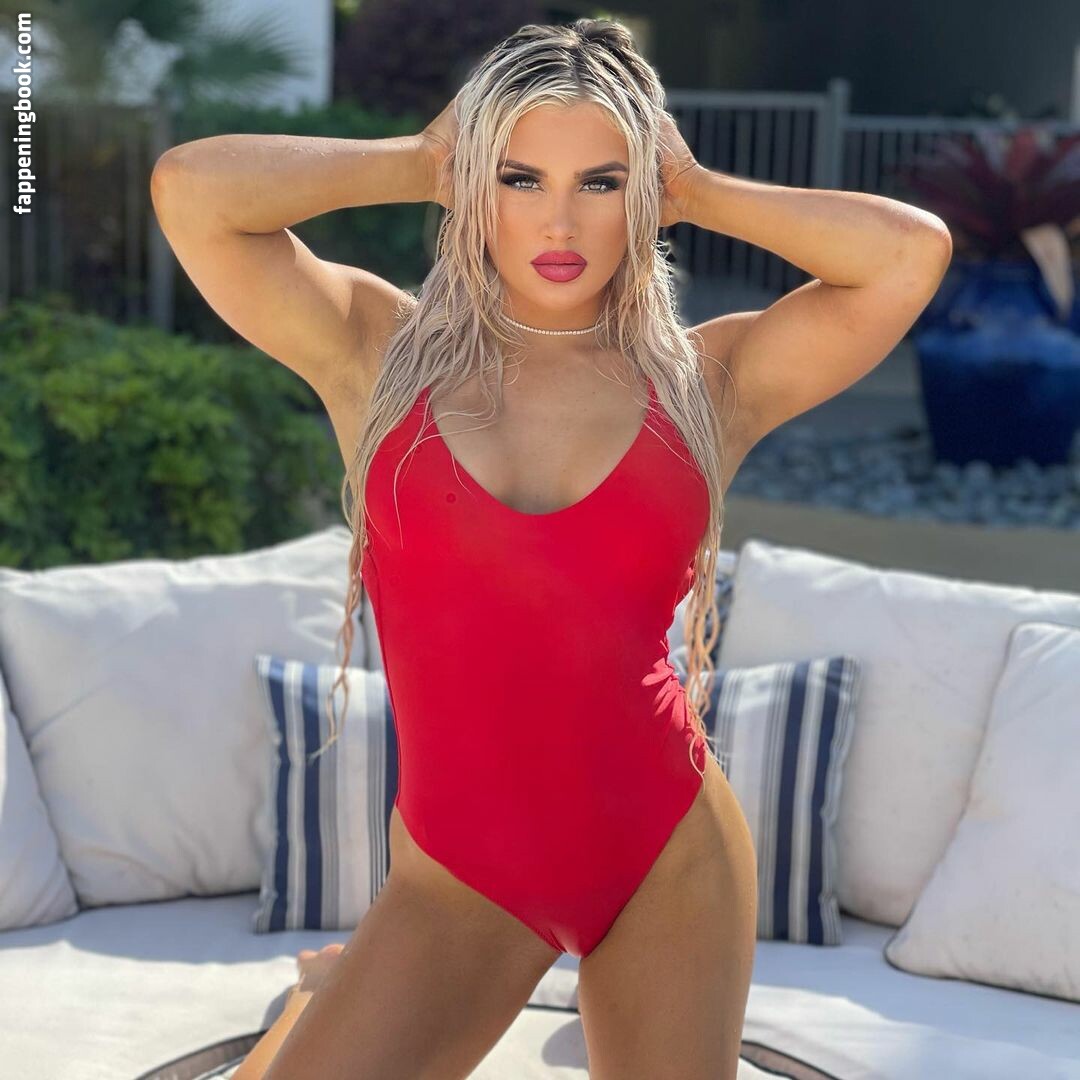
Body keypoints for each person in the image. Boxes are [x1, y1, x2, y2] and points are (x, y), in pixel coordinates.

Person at [150, 16, 951, 1079]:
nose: (559, 220)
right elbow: (192, 193)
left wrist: (695, 186)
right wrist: (421, 161)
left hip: (667, 851)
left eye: (602, 183)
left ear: (642, 195)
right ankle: (319, 997)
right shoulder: (376, 354)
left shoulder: (707, 382)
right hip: (457, 877)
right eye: (520, 178)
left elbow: (908, 255)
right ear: (475, 185)